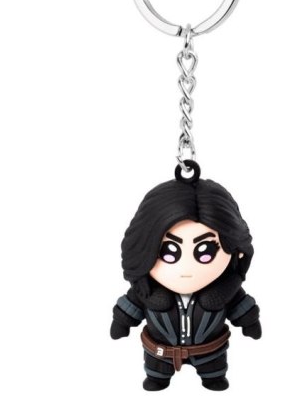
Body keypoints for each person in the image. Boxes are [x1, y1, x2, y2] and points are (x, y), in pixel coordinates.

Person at [110, 162, 261, 391]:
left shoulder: (225, 291)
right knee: (156, 377)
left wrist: (250, 321)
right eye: (168, 252)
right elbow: (130, 306)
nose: (187, 268)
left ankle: (212, 377)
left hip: (210, 353)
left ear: (234, 248)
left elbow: (241, 306)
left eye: (205, 252)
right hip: (159, 354)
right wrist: (122, 321)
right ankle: (158, 378)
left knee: (214, 376)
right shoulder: (147, 291)